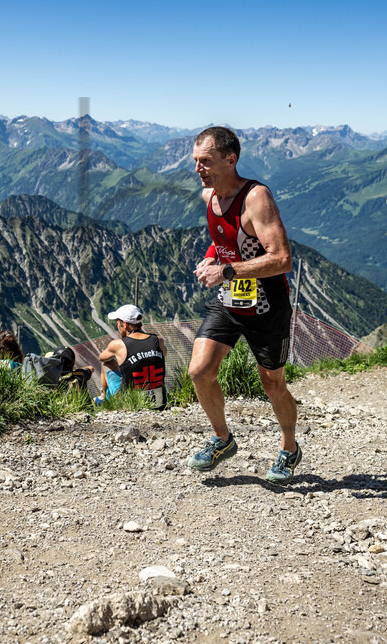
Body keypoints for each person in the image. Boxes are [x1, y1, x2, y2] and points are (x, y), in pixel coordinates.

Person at [185, 126, 300, 484]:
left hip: (268, 305)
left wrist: (227, 270)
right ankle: (222, 439)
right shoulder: (209, 197)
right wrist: (210, 260)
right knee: (199, 372)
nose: (198, 169)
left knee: (272, 385)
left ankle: (289, 448)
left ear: (230, 159)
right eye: (195, 161)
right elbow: (223, 242)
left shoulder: (256, 198)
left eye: (205, 161)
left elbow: (282, 259)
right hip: (231, 300)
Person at [97, 304, 168, 410]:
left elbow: (101, 357)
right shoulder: (158, 340)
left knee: (107, 363)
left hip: (130, 403)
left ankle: (104, 398)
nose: (117, 327)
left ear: (124, 324)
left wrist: (120, 354)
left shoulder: (118, 344)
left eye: (117, 322)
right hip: (160, 403)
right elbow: (164, 355)